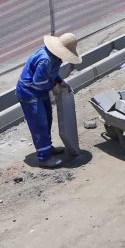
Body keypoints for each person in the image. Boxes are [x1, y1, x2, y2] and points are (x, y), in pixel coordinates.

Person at [15, 32, 82, 167]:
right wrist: (53, 86)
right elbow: (38, 81)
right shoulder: (46, 60)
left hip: (40, 91)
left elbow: (51, 74)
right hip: (30, 93)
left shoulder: (54, 57)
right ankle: (44, 157)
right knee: (39, 124)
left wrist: (59, 81)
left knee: (47, 118)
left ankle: (47, 147)